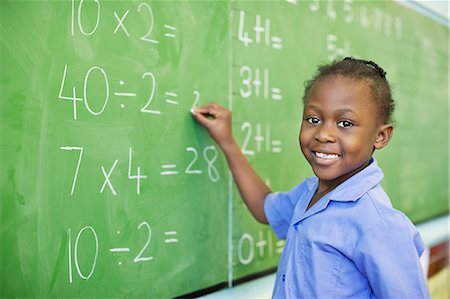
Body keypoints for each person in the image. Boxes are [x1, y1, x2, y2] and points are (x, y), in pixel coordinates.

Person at [191, 57, 430, 298]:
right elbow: (265, 208)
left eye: (345, 123)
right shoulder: (309, 194)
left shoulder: (378, 224)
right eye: (313, 119)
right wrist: (227, 141)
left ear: (381, 136)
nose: (324, 134)